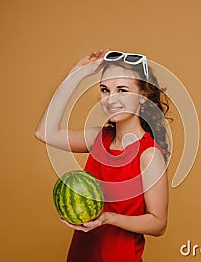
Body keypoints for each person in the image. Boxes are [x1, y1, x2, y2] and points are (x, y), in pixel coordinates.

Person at [35, 49, 170, 262]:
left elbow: (158, 223)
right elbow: (44, 133)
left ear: (143, 97)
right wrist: (76, 74)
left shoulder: (149, 154)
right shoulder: (98, 138)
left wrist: (108, 218)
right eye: (105, 90)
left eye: (122, 90)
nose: (110, 99)